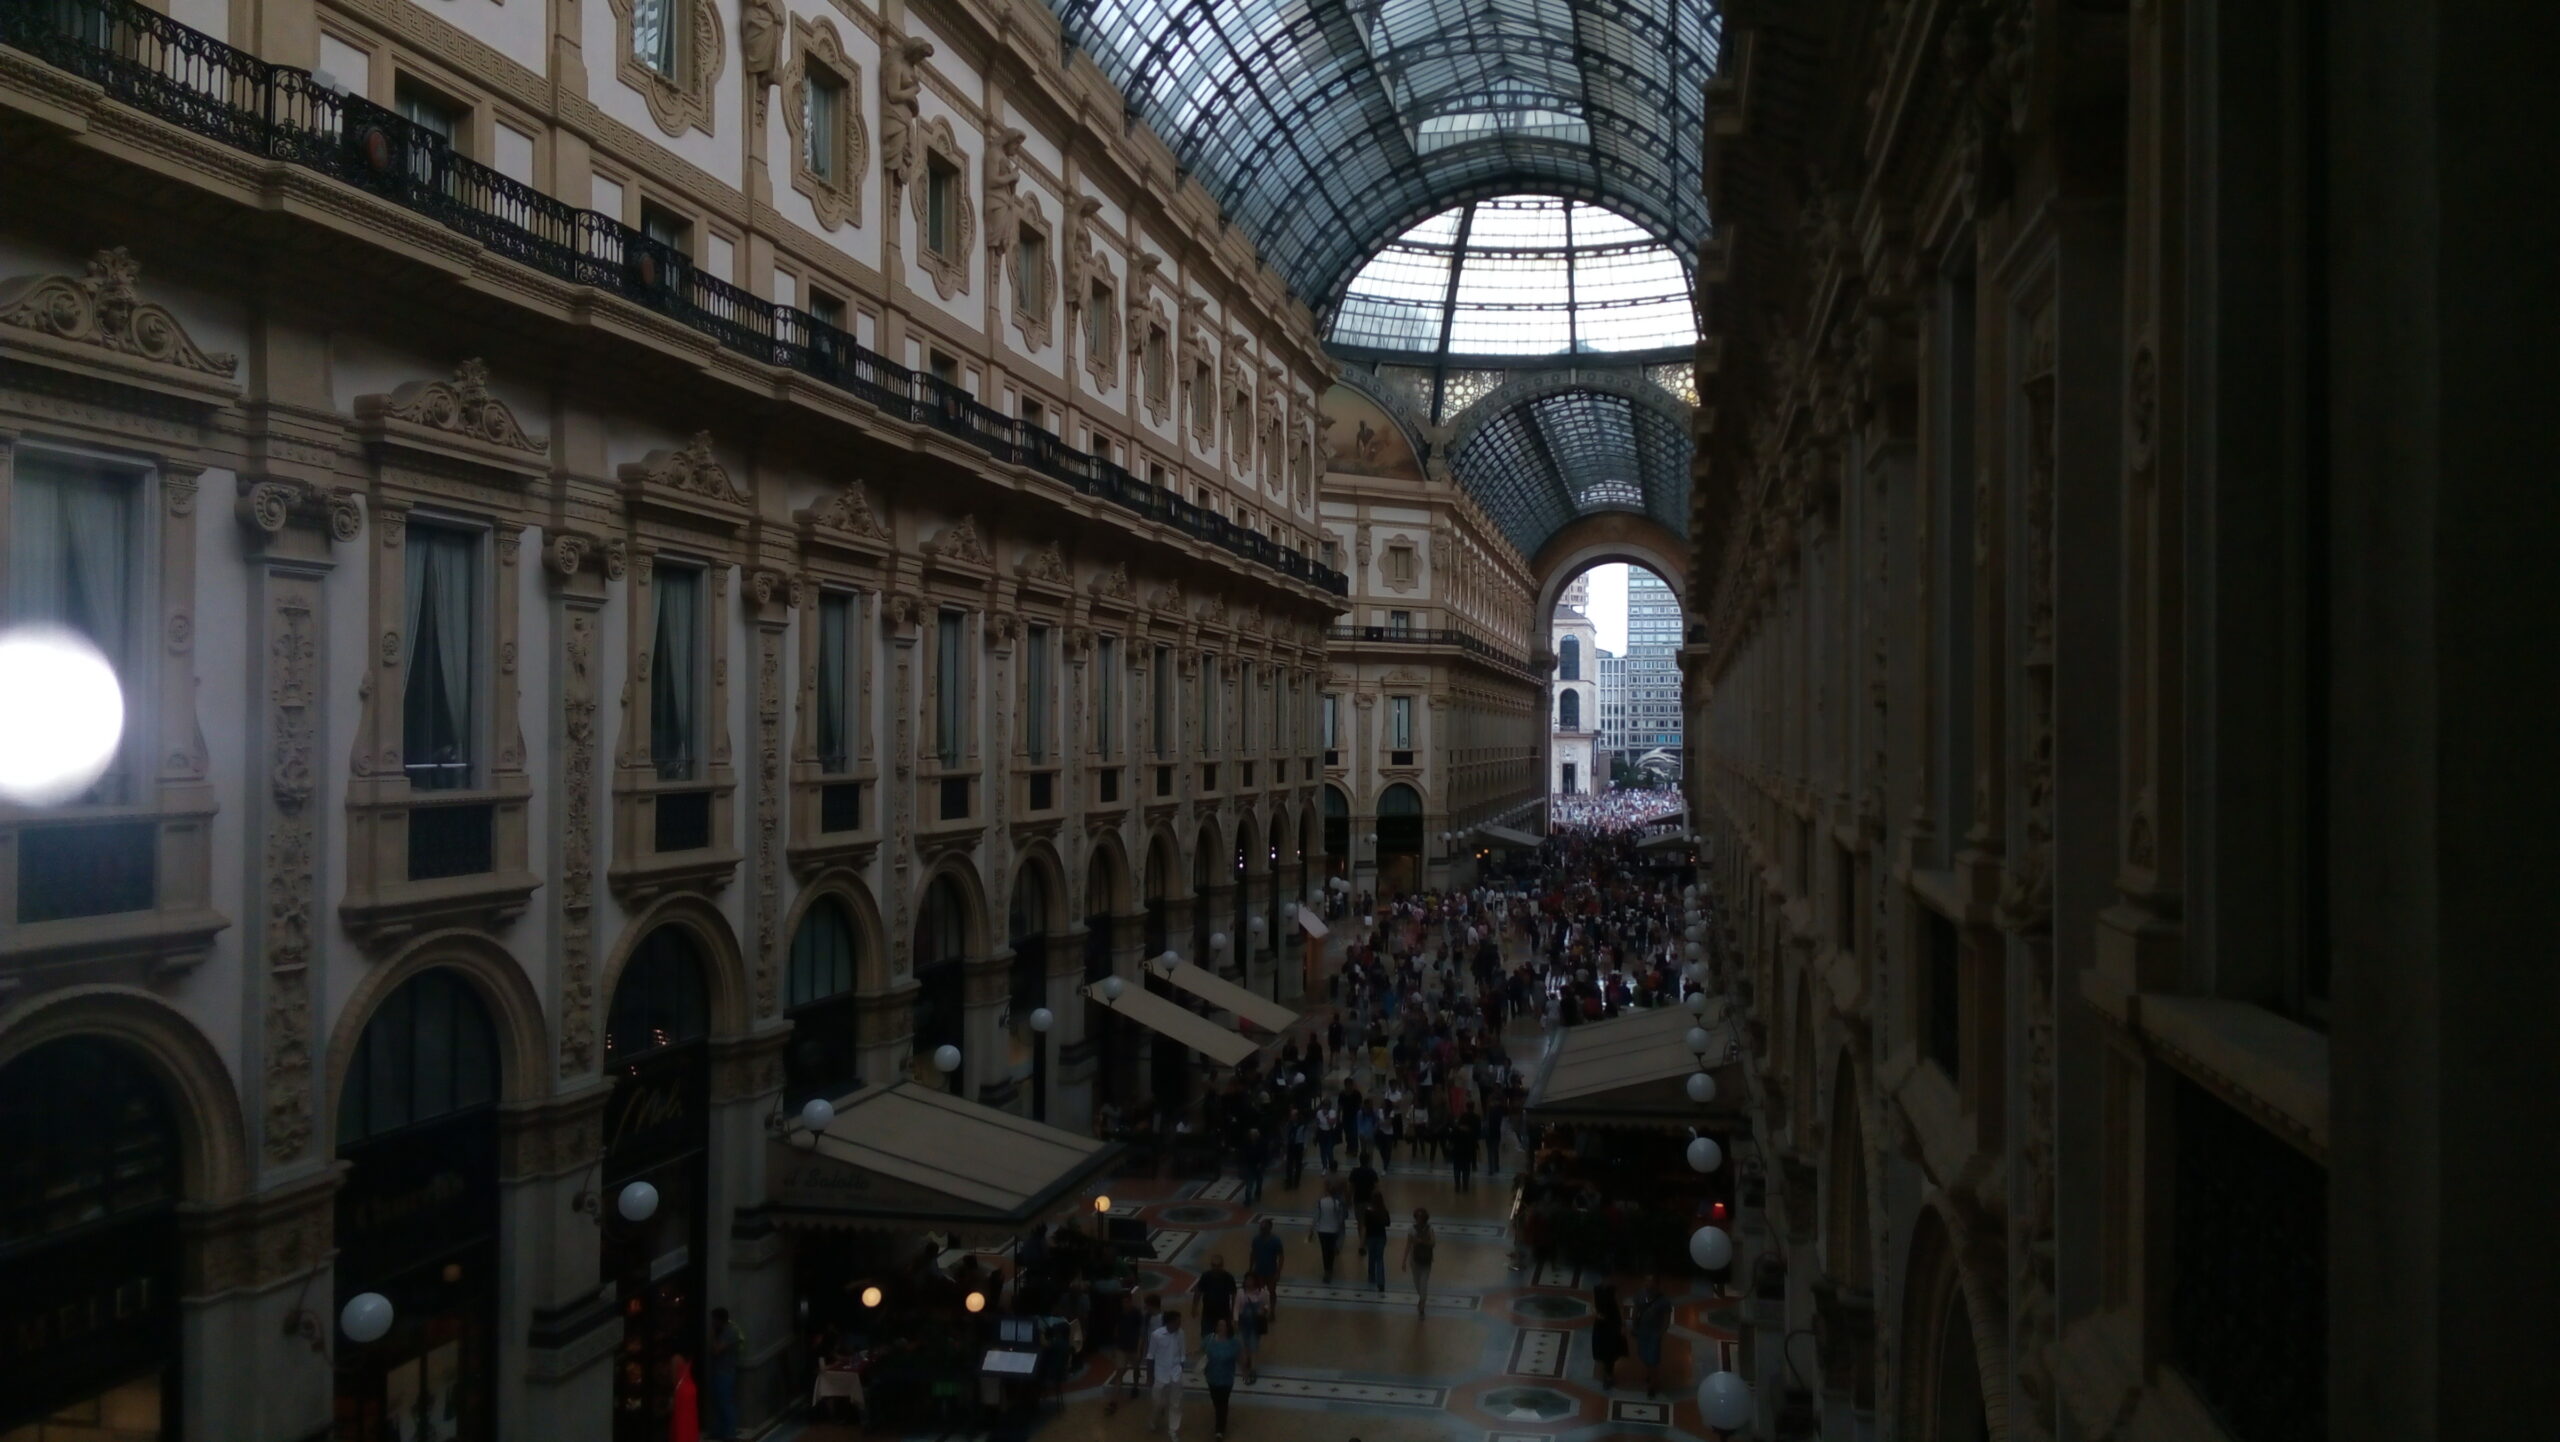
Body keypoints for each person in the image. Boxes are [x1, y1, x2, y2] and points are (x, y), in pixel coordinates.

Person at [1148, 1310, 1188, 1439]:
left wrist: (1181, 1369)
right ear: (1169, 1322)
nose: (1179, 1324)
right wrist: (1150, 1376)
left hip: (1176, 1374)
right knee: (1157, 1402)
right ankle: (1153, 1420)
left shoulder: (1181, 1333)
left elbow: (1182, 1354)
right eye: (1177, 1322)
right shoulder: (1156, 1335)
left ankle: (1173, 1430)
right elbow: (1151, 1356)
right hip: (1160, 1375)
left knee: (1176, 1403)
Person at [1632, 1274, 1674, 1397]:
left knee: (1653, 1360)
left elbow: (1666, 1319)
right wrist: (1634, 1326)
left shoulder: (1663, 1301)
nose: (1647, 1284)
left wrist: (1661, 1332)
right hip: (1642, 1331)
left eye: (1650, 1282)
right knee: (1644, 1356)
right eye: (1646, 1281)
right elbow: (1636, 1310)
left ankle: (1652, 1384)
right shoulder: (1641, 1295)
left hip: (1654, 1334)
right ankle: (1650, 1375)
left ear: (1656, 1284)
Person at [703, 1307, 742, 1439]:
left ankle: (730, 1433)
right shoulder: (725, 1331)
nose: (712, 1322)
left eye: (714, 1319)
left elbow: (717, 1350)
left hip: (725, 1372)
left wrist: (713, 1335)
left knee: (725, 1403)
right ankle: (719, 1430)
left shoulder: (730, 1332)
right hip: (719, 1371)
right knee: (718, 1402)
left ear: (719, 1320)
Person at [1201, 1316, 1241, 1441]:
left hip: (1226, 1378)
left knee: (1223, 1403)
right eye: (1219, 1325)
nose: (1221, 1327)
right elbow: (1202, 1350)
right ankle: (1220, 1419)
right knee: (1216, 1400)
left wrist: (1245, 1370)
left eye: (1223, 1325)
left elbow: (1240, 1357)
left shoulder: (1233, 1342)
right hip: (1212, 1377)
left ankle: (1220, 1429)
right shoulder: (1210, 1339)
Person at [1589, 1282, 1627, 1389]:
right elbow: (1592, 1304)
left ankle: (1609, 1375)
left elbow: (1620, 1307)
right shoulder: (1596, 1289)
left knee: (1611, 1349)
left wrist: (1623, 1325)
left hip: (1613, 1323)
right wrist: (1597, 1314)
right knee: (1600, 1347)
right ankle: (1607, 1371)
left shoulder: (1614, 1290)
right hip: (1600, 1324)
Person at [1235, 1272, 1271, 1383]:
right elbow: (1236, 1308)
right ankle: (1247, 1361)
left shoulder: (1262, 1293)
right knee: (1244, 1344)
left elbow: (1267, 1305)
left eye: (1250, 1280)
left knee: (1254, 1345)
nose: (1248, 1282)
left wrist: (1263, 1310)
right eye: (1247, 1280)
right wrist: (1235, 1321)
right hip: (1243, 1323)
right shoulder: (1240, 1293)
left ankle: (1253, 1368)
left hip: (1255, 1324)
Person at [1247, 1218, 1284, 1323]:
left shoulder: (1276, 1241)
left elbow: (1281, 1257)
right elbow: (1253, 1254)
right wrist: (1250, 1268)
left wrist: (1278, 1272)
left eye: (1264, 1228)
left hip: (1271, 1271)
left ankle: (1272, 1311)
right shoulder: (1256, 1240)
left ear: (1269, 1228)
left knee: (1272, 1291)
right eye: (1261, 1228)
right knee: (1259, 1293)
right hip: (1259, 1271)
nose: (1262, 1230)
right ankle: (1261, 1311)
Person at [1402, 1208, 1437, 1315]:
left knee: (1423, 1283)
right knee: (1417, 1282)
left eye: (1420, 1217)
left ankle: (1422, 1304)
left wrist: (1421, 1242)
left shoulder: (1430, 1229)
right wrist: (1403, 1260)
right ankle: (1422, 1297)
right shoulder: (1411, 1229)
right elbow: (1408, 1245)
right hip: (1414, 1260)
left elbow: (1433, 1243)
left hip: (1426, 1260)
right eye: (1417, 1217)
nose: (1418, 1219)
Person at [1310, 1183, 1347, 1282]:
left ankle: (1326, 1270)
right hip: (1333, 1230)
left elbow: (1316, 1216)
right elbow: (1340, 1218)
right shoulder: (1337, 1203)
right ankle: (1329, 1269)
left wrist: (1311, 1228)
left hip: (1322, 1230)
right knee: (1331, 1251)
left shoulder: (1321, 1202)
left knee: (1324, 1250)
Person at [1193, 1254, 1238, 1335]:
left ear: (1222, 1265)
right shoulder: (1206, 1276)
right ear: (1211, 1265)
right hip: (1208, 1314)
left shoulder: (1228, 1277)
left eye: (1218, 1266)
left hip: (1224, 1314)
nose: (1216, 1268)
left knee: (1225, 1337)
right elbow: (1198, 1292)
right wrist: (1194, 1307)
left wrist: (1233, 1311)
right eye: (1214, 1266)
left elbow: (1234, 1295)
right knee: (1207, 1338)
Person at [1359, 1192, 1392, 1292]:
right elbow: (1388, 1223)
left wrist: (1362, 1243)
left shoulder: (1368, 1211)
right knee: (1379, 1259)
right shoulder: (1384, 1211)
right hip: (1381, 1237)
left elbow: (1364, 1227)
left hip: (1370, 1237)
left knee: (1371, 1258)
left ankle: (1371, 1277)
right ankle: (1381, 1282)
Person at [666, 1355, 700, 1442]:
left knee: (680, 1420)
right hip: (691, 1388)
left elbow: (674, 1379)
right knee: (690, 1419)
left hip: (682, 1390)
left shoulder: (675, 1358)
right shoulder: (689, 1358)